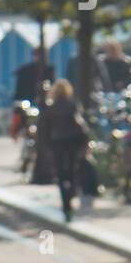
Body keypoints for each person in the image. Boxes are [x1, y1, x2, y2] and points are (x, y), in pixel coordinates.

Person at [42, 78, 88, 222]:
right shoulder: (72, 105)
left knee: (61, 174)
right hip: (73, 141)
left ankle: (66, 204)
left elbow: (45, 129)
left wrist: (46, 146)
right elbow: (81, 124)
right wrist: (85, 142)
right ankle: (72, 191)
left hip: (57, 142)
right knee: (72, 170)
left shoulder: (51, 107)